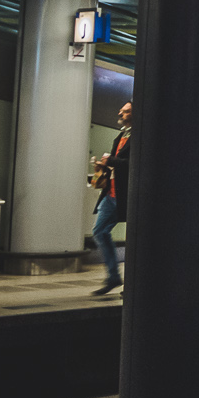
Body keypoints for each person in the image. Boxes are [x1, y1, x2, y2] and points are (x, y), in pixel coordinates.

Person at [89, 102, 131, 295]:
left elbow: (134, 163)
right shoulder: (121, 135)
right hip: (111, 193)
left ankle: (129, 281)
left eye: (125, 110)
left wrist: (112, 161)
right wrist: (103, 165)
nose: (120, 112)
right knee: (99, 231)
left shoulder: (138, 136)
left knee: (136, 239)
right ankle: (113, 276)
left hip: (126, 195)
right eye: (121, 109)